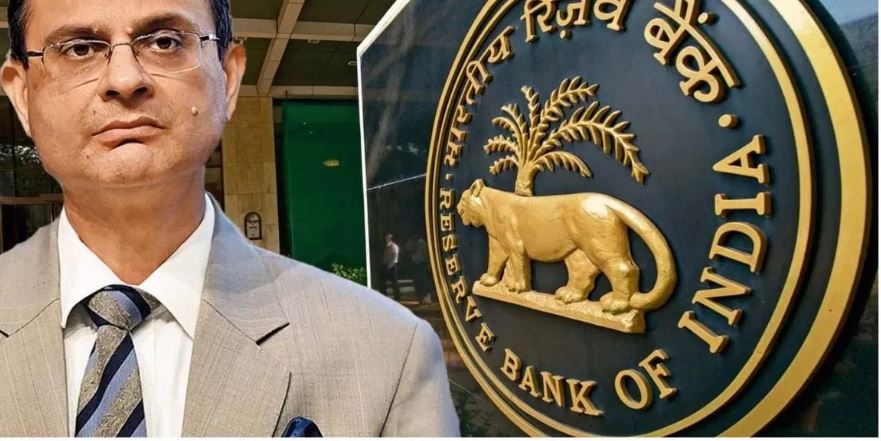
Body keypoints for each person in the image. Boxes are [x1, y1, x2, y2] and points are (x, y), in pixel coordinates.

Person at [0, 0, 458, 436]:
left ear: (229, 77)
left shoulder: (388, 353)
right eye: (79, 48)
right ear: (22, 94)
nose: (124, 79)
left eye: (164, 41)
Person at [382, 232, 401, 300]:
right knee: (383, 281)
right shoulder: (386, 246)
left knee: (394, 282)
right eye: (385, 237)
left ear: (390, 238)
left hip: (392, 266)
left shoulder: (394, 246)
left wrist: (389, 266)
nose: (385, 239)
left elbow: (394, 257)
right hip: (386, 264)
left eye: (387, 237)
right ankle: (384, 295)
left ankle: (397, 297)